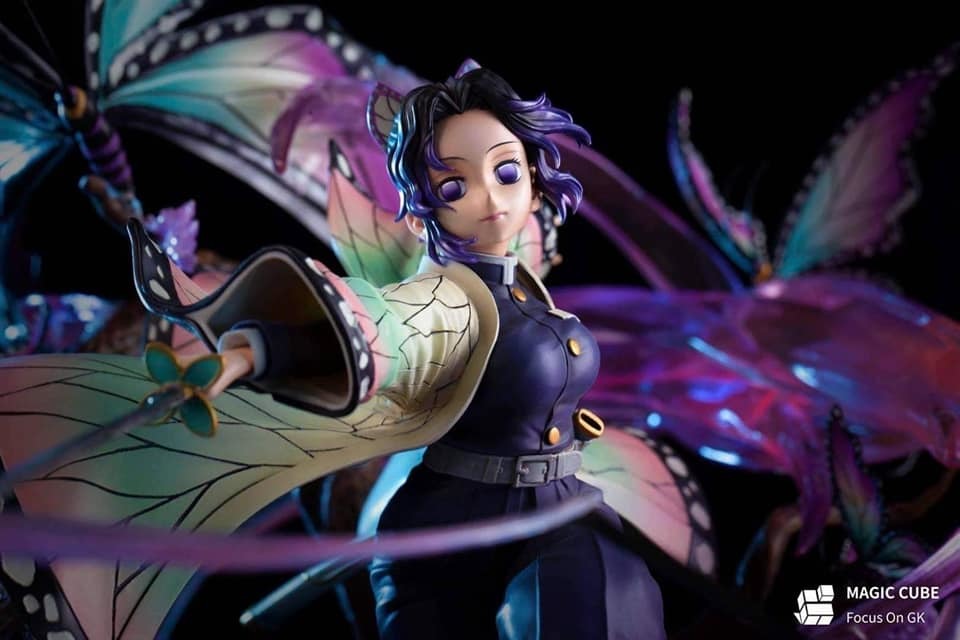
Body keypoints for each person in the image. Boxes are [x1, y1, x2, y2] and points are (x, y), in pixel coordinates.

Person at [126, 63, 666, 639]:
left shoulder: (522, 283)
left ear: (533, 177)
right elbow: (377, 327)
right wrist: (252, 351)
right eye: (454, 187)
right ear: (421, 207)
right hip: (455, 530)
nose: (490, 197)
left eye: (506, 172)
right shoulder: (445, 297)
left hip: (558, 509)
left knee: (604, 590)